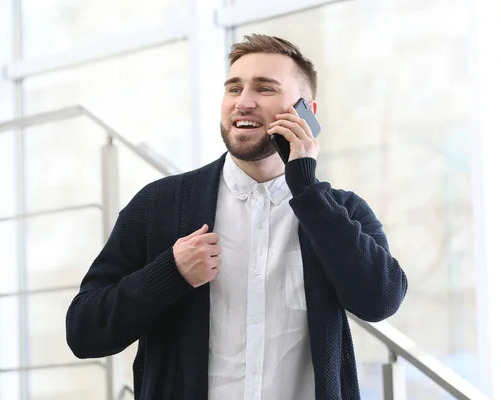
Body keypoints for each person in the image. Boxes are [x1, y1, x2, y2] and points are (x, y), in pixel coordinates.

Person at [66, 34, 408, 400]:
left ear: (306, 110)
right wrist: (169, 273)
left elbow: (380, 301)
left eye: (264, 88)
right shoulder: (158, 205)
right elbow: (84, 331)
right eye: (233, 89)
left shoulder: (341, 212)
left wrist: (307, 190)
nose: (243, 102)